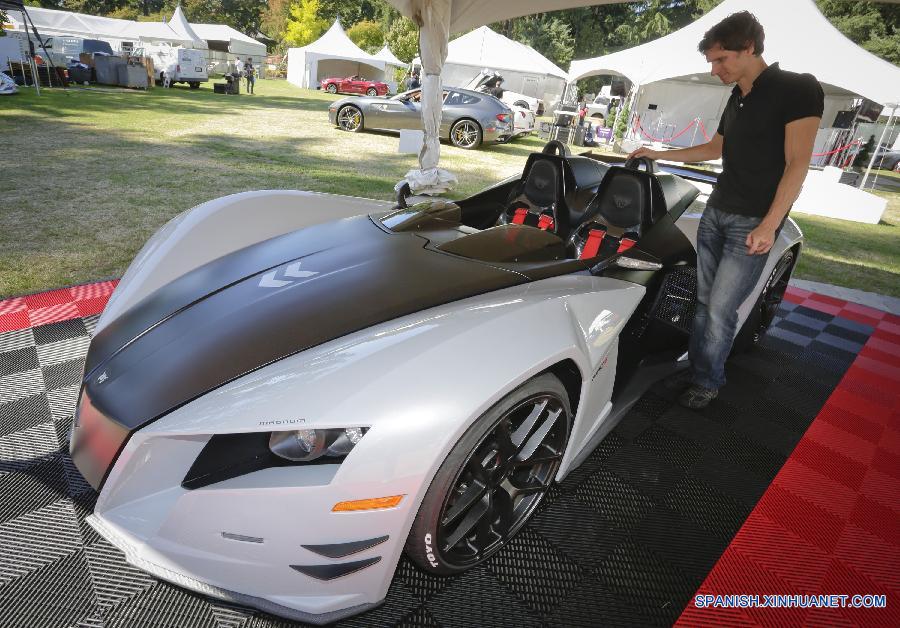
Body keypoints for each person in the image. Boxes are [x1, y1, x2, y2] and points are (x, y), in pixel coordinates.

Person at [628, 11, 823, 409]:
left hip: (752, 221)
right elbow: (714, 149)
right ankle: (700, 367)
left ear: (749, 48)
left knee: (719, 309)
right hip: (716, 213)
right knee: (703, 304)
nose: (715, 69)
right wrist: (659, 153)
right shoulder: (738, 95)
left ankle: (707, 380)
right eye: (712, 62)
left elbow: (797, 163)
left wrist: (770, 225)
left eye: (721, 60)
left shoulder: (798, 89)